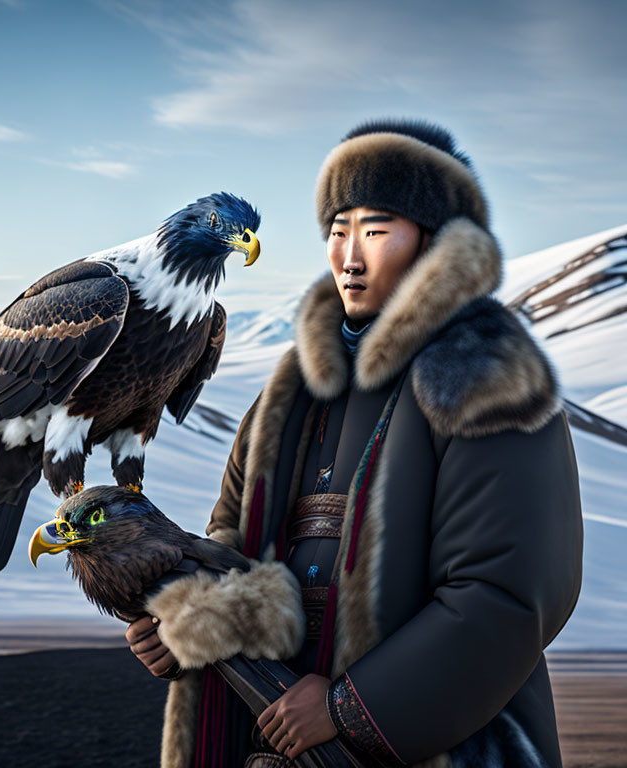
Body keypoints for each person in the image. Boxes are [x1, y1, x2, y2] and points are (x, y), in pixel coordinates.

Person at [126, 118, 583, 768]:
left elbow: (508, 594)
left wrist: (349, 707)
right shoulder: (290, 389)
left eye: (375, 230)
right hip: (270, 733)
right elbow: (229, 534)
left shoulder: (486, 375)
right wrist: (190, 624)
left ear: (435, 245)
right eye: (338, 231)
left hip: (439, 742)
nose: (350, 255)